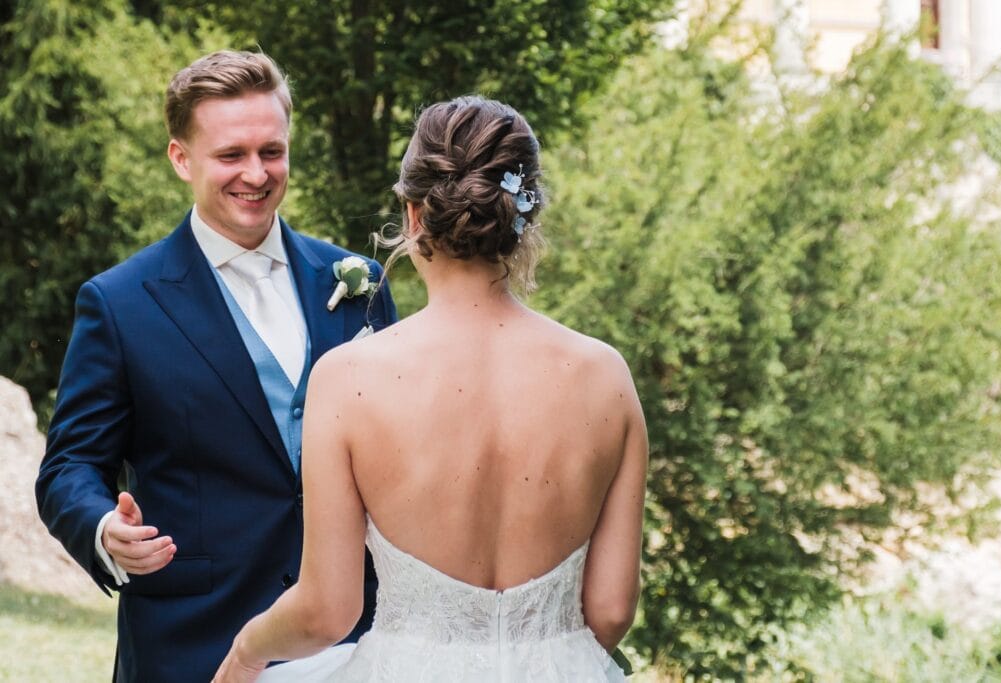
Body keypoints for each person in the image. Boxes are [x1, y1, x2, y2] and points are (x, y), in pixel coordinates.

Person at [214, 95, 648, 682]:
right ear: (525, 217)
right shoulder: (606, 377)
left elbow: (328, 611)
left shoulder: (348, 380)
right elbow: (611, 610)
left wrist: (247, 651)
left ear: (415, 216)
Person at [35, 50, 397, 682]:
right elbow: (70, 465)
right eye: (231, 155)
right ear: (182, 158)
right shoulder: (120, 303)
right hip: (193, 642)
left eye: (272, 152)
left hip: (357, 639)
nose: (255, 174)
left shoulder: (359, 283)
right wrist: (101, 528)